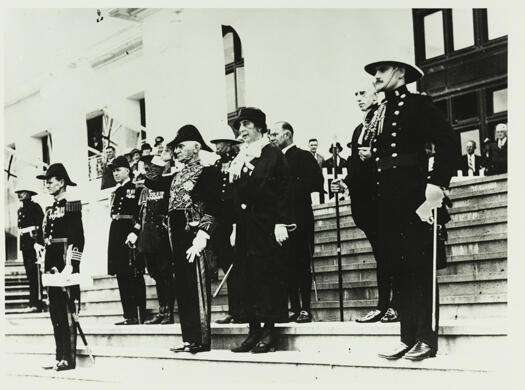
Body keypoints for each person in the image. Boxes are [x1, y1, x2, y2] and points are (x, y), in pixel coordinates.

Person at [362, 58, 458, 361]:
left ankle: (426, 338)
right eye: (374, 73)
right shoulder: (379, 111)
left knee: (419, 266)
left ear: (400, 74)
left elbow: (448, 141)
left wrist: (437, 182)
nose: (376, 77)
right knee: (398, 267)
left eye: (381, 71)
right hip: (387, 198)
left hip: (415, 195)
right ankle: (407, 337)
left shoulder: (418, 104)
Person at [145, 124, 221, 354]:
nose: (176, 151)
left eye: (180, 146)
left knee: (197, 286)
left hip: (195, 234)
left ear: (197, 146)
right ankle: (189, 338)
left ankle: (201, 340)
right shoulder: (176, 175)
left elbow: (215, 204)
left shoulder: (208, 170)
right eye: (174, 147)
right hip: (175, 235)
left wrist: (204, 232)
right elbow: (150, 181)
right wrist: (161, 157)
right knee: (183, 287)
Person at [331, 80, 400, 323]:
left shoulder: (384, 120)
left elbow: (395, 151)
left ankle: (396, 303)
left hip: (387, 199)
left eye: (363, 93)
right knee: (381, 254)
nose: (359, 97)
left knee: (391, 252)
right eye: (356, 93)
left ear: (376, 96)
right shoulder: (359, 129)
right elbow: (355, 166)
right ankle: (384, 304)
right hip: (367, 203)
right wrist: (345, 183)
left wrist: (375, 155)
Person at [228, 107, 294, 353]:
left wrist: (281, 222)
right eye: (239, 126)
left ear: (258, 126)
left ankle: (269, 331)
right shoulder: (240, 157)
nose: (242, 130)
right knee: (247, 277)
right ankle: (253, 331)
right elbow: (235, 193)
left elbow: (285, 190)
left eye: (246, 124)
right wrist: (235, 224)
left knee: (266, 276)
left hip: (266, 224)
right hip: (245, 226)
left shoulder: (272, 154)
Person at [269, 121, 323, 323]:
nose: (271, 137)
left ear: (288, 134)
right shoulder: (272, 159)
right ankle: (294, 307)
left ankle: (305, 308)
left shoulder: (303, 156)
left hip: (299, 216)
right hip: (278, 219)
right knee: (284, 263)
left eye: (275, 134)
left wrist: (289, 189)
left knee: (301, 262)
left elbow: (316, 182)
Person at [34, 163, 85, 371]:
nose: (47, 185)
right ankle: (59, 356)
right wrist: (39, 242)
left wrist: (72, 265)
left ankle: (68, 358)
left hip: (65, 264)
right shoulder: (50, 209)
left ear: (62, 182)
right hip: (51, 263)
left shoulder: (72, 205)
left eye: (50, 181)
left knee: (67, 310)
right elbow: (47, 235)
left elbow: (79, 239)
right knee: (55, 311)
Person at [210, 127, 243, 324]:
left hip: (236, 218)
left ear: (229, 143)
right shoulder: (216, 164)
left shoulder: (238, 161)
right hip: (221, 221)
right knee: (227, 264)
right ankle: (234, 310)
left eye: (219, 142)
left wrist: (236, 223)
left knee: (238, 266)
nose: (216, 146)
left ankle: (243, 309)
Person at [107, 155, 146, 325]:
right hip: (116, 232)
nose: (115, 173)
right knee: (121, 273)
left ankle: (139, 313)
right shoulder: (116, 192)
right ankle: (128, 314)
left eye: (119, 170)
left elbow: (141, 213)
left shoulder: (137, 188)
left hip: (130, 232)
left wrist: (135, 231)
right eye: (114, 171)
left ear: (128, 170)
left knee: (134, 272)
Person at [138, 154, 175, 325]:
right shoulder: (146, 189)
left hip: (162, 233)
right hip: (149, 234)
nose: (150, 171)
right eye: (148, 168)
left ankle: (168, 311)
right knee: (155, 273)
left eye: (153, 168)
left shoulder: (167, 183)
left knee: (165, 272)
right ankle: (162, 310)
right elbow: (142, 212)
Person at [15, 181, 45, 312]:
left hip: (34, 243)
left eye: (22, 192)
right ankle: (33, 302)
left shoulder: (35, 207)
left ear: (29, 194)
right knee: (29, 274)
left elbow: (41, 225)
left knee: (35, 273)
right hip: (25, 245)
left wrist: (39, 242)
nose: (19, 195)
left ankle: (38, 302)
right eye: (18, 193)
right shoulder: (20, 210)